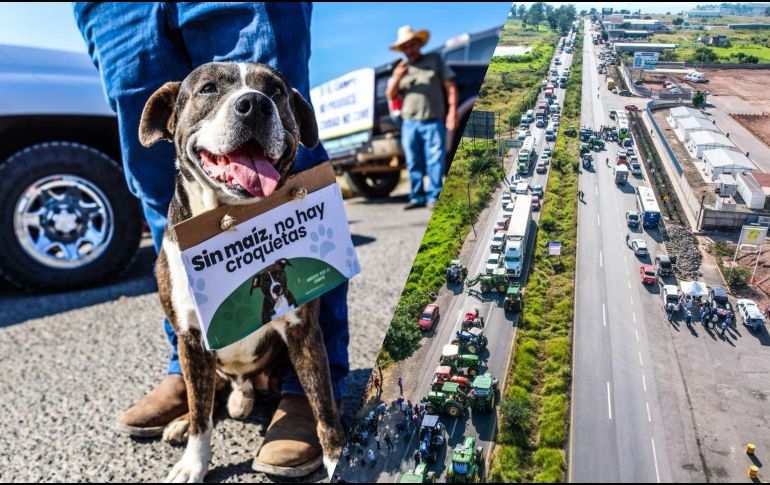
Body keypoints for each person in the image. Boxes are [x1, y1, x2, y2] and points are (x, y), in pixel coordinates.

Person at [73, 3, 350, 477]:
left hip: (277, 345)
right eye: (209, 91)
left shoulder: (280, 118)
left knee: (301, 321)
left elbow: (266, 98)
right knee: (148, 177)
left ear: (298, 116)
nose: (251, 102)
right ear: (168, 117)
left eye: (273, 96)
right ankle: (193, 378)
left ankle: (301, 394)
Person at [387, 25, 458, 210]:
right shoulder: (401, 69)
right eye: (405, 47)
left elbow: (450, 86)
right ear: (402, 50)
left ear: (418, 44)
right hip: (409, 123)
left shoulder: (434, 60)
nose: (409, 50)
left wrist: (452, 112)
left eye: (412, 45)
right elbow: (391, 95)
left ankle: (434, 196)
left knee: (435, 159)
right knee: (413, 161)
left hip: (433, 120)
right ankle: (417, 196)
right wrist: (396, 77)